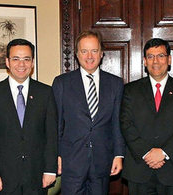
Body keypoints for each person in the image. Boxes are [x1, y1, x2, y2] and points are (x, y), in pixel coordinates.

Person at [52, 30, 125, 194]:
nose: (89, 56)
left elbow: (117, 123)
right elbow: (56, 124)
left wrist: (119, 154)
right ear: (77, 55)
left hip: (102, 160)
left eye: (94, 50)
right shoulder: (62, 83)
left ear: (101, 53)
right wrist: (56, 155)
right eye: (84, 51)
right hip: (71, 161)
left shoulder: (115, 84)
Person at [0, 38, 58, 195]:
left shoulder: (46, 93)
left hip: (37, 175)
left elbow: (51, 134)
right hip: (3, 177)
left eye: (26, 59)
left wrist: (50, 169)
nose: (21, 64)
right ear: (7, 62)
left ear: (32, 63)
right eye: (16, 59)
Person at [120, 38, 173, 194]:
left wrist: (163, 153)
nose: (156, 61)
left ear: (169, 59)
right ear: (144, 61)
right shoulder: (130, 91)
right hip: (139, 170)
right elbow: (126, 125)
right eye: (150, 56)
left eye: (161, 55)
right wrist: (147, 153)